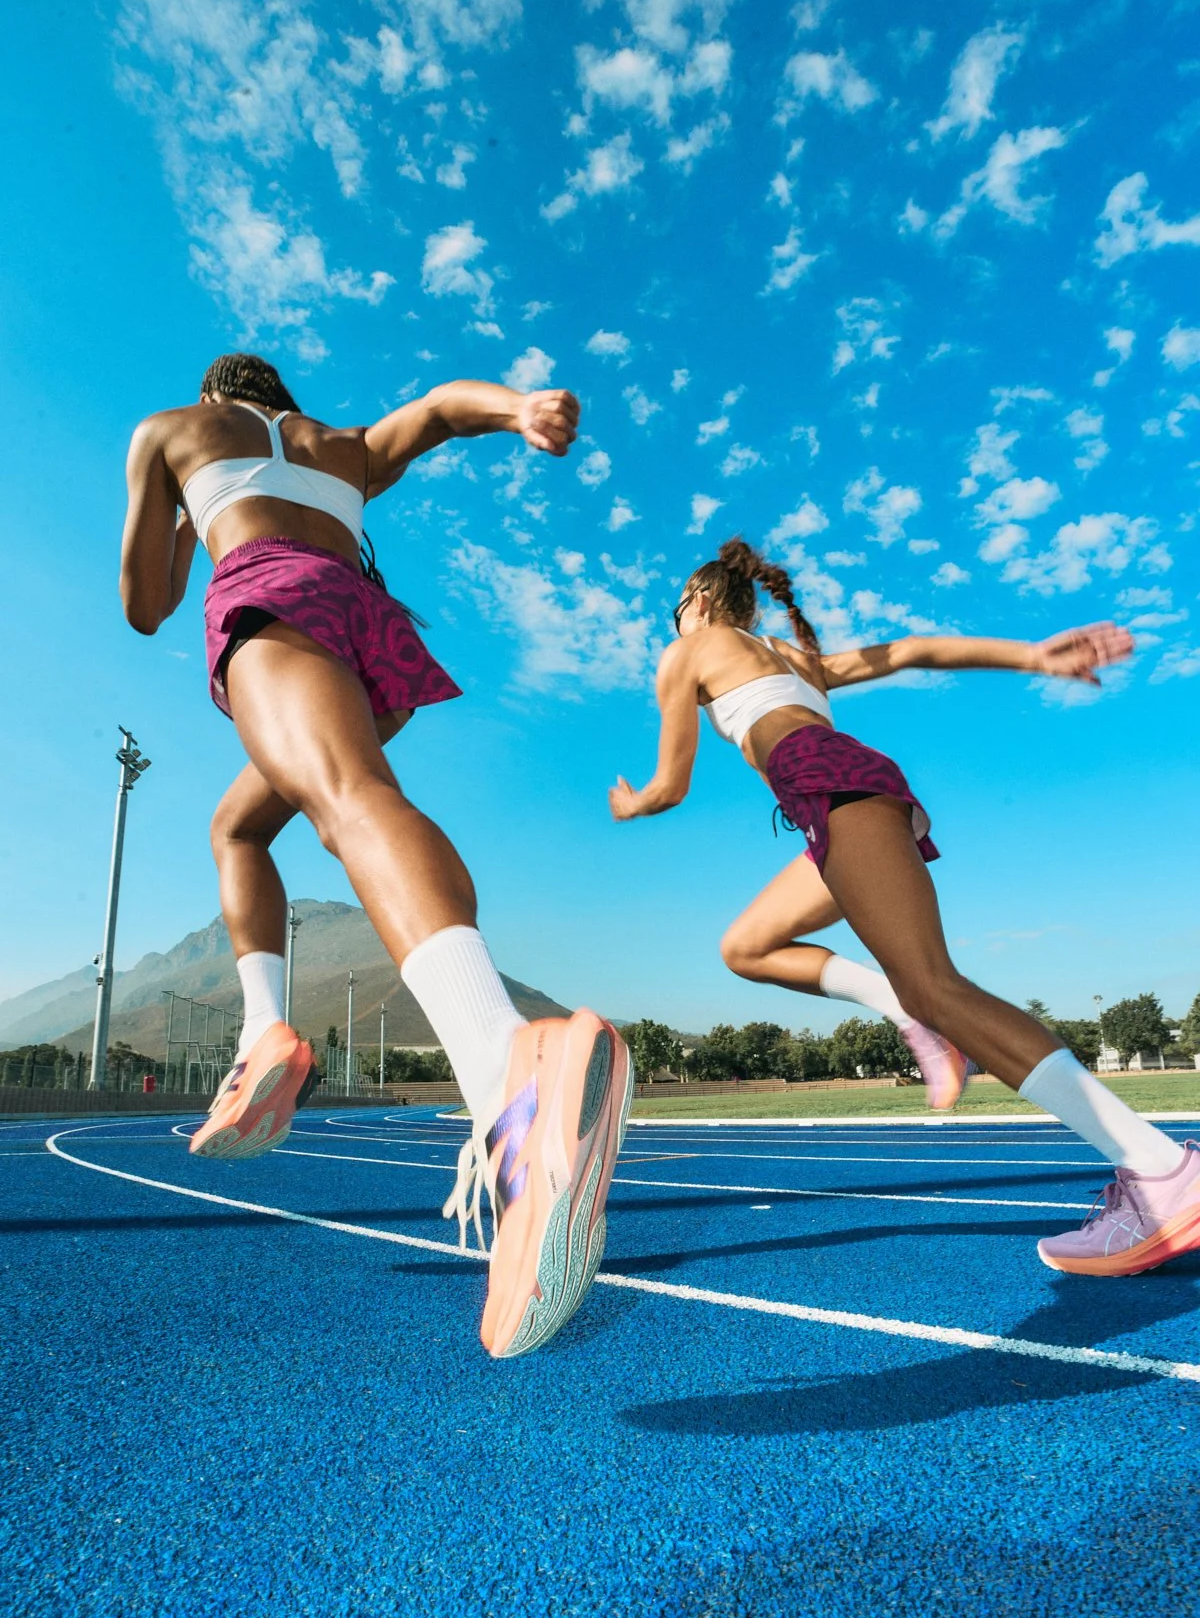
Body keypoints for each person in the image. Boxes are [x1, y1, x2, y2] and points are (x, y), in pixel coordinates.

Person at [119, 352, 632, 1357]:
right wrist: (519, 409)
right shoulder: (341, 446)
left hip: (273, 598)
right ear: (283, 400)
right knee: (245, 823)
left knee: (351, 799)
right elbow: (440, 410)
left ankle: (506, 1070)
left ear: (218, 396)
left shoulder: (172, 428)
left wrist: (186, 516)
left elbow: (146, 606)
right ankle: (267, 1033)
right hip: (366, 628)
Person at [609, 536, 1199, 1277]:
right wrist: (1032, 655)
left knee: (935, 984)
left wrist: (633, 805)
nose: (675, 625)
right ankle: (901, 1007)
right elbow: (914, 650)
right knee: (749, 946)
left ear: (696, 602)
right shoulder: (800, 662)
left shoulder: (692, 651)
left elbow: (671, 786)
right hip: (843, 797)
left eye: (677, 611)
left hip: (834, 791)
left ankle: (1160, 1169)